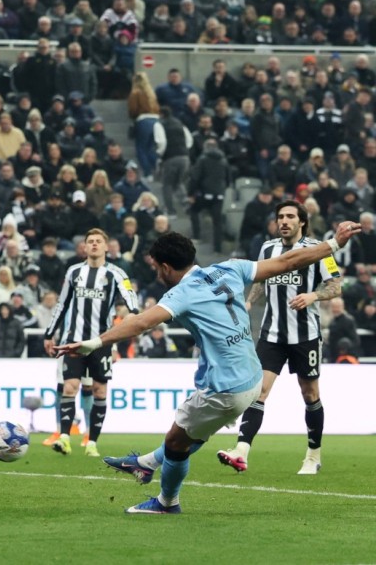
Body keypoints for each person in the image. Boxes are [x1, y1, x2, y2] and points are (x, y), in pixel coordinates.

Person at [63, 221, 362, 514]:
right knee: (191, 434)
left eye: (157, 267)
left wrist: (95, 342)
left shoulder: (180, 294)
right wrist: (333, 243)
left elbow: (140, 322)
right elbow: (287, 261)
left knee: (175, 441)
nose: (157, 272)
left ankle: (167, 502)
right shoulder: (229, 267)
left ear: (165, 267)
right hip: (252, 378)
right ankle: (146, 464)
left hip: (225, 389)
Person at [218, 201, 342, 475]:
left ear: (302, 222)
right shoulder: (268, 248)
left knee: (309, 394)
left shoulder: (318, 248)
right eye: (280, 217)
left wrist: (313, 295)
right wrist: (249, 303)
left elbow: (335, 285)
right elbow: (261, 281)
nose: (283, 221)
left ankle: (313, 455)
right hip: (271, 334)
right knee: (258, 391)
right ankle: (241, 451)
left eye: (289, 217)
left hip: (305, 335)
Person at [43, 228, 139, 457]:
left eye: (98, 241)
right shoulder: (74, 272)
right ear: (84, 247)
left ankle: (92, 442)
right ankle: (65, 438)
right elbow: (62, 304)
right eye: (90, 242)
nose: (94, 244)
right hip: (73, 341)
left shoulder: (116, 273)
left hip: (100, 342)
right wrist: (49, 334)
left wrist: (135, 313)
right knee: (70, 387)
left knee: (99, 390)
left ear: (106, 247)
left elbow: (130, 296)